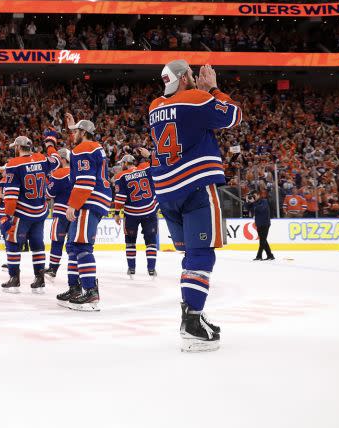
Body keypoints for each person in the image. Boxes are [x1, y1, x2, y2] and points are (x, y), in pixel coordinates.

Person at [148, 60, 241, 353]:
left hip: (166, 190)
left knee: (190, 255)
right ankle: (191, 323)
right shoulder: (198, 98)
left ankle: (194, 315)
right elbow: (233, 116)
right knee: (201, 255)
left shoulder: (154, 106)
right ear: (185, 78)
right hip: (195, 185)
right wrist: (212, 88)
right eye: (189, 73)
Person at [57, 115, 112, 312]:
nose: (72, 135)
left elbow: (86, 180)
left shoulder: (84, 148)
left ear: (84, 133)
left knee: (81, 246)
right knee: (73, 245)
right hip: (96, 199)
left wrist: (73, 204)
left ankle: (90, 291)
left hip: (89, 201)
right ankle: (75, 287)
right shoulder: (93, 147)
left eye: (75, 132)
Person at [0, 131, 61, 294]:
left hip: (23, 212)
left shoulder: (14, 163)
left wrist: (7, 215)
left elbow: (11, 195)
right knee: (37, 244)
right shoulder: (42, 158)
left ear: (19, 147)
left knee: (13, 243)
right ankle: (39, 278)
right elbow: (56, 161)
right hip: (40, 211)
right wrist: (50, 144)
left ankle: (14, 278)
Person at [111, 148, 159, 279]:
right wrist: (149, 156)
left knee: (130, 241)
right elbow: (158, 166)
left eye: (122, 164)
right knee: (151, 242)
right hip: (149, 210)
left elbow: (120, 197)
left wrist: (116, 213)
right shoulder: (145, 167)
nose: (121, 166)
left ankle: (131, 269)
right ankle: (151, 269)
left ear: (126, 164)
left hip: (132, 214)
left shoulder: (120, 176)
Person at [44, 149, 71, 278]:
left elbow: (49, 194)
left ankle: (53, 268)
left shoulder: (59, 173)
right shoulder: (79, 173)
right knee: (74, 244)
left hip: (61, 213)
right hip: (76, 213)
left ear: (63, 159)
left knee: (57, 241)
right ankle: (76, 270)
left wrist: (48, 181)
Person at [246, 192, 274, 261]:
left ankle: (259, 256)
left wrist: (253, 202)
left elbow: (260, 209)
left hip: (265, 223)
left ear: (258, 195)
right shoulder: (254, 203)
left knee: (262, 241)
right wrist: (247, 201)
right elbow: (247, 208)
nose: (253, 197)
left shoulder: (264, 201)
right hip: (258, 224)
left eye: (254, 196)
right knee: (263, 240)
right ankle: (270, 255)